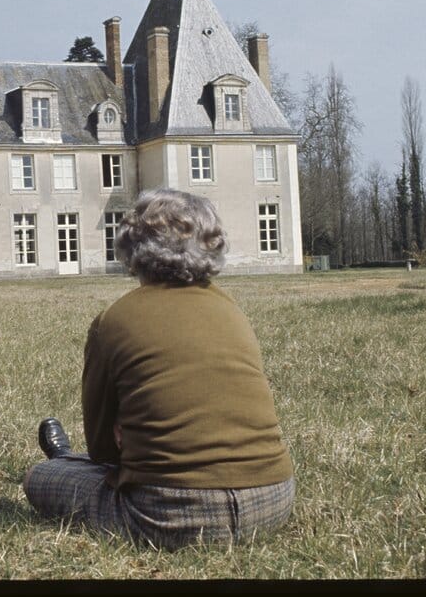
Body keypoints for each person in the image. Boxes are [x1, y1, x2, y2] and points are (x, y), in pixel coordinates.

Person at [23, 188, 294, 549]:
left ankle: (63, 459)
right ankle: (70, 458)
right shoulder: (232, 310)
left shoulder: (114, 320)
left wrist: (129, 437)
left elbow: (104, 449)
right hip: (273, 501)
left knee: (41, 477)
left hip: (171, 514)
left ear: (132, 245)